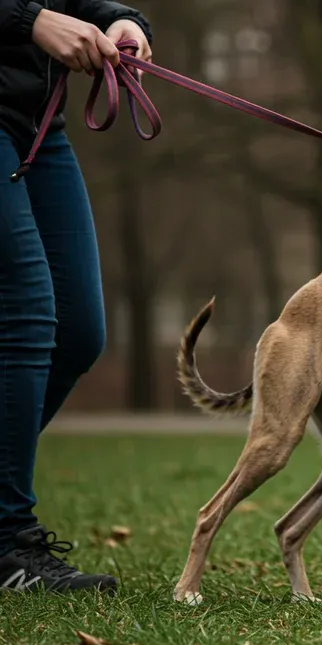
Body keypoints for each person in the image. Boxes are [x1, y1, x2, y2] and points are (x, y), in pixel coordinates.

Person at [0, 0, 152, 593]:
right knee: (27, 313)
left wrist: (121, 19)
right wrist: (27, 20)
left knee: (78, 329)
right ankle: (9, 540)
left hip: (36, 121)